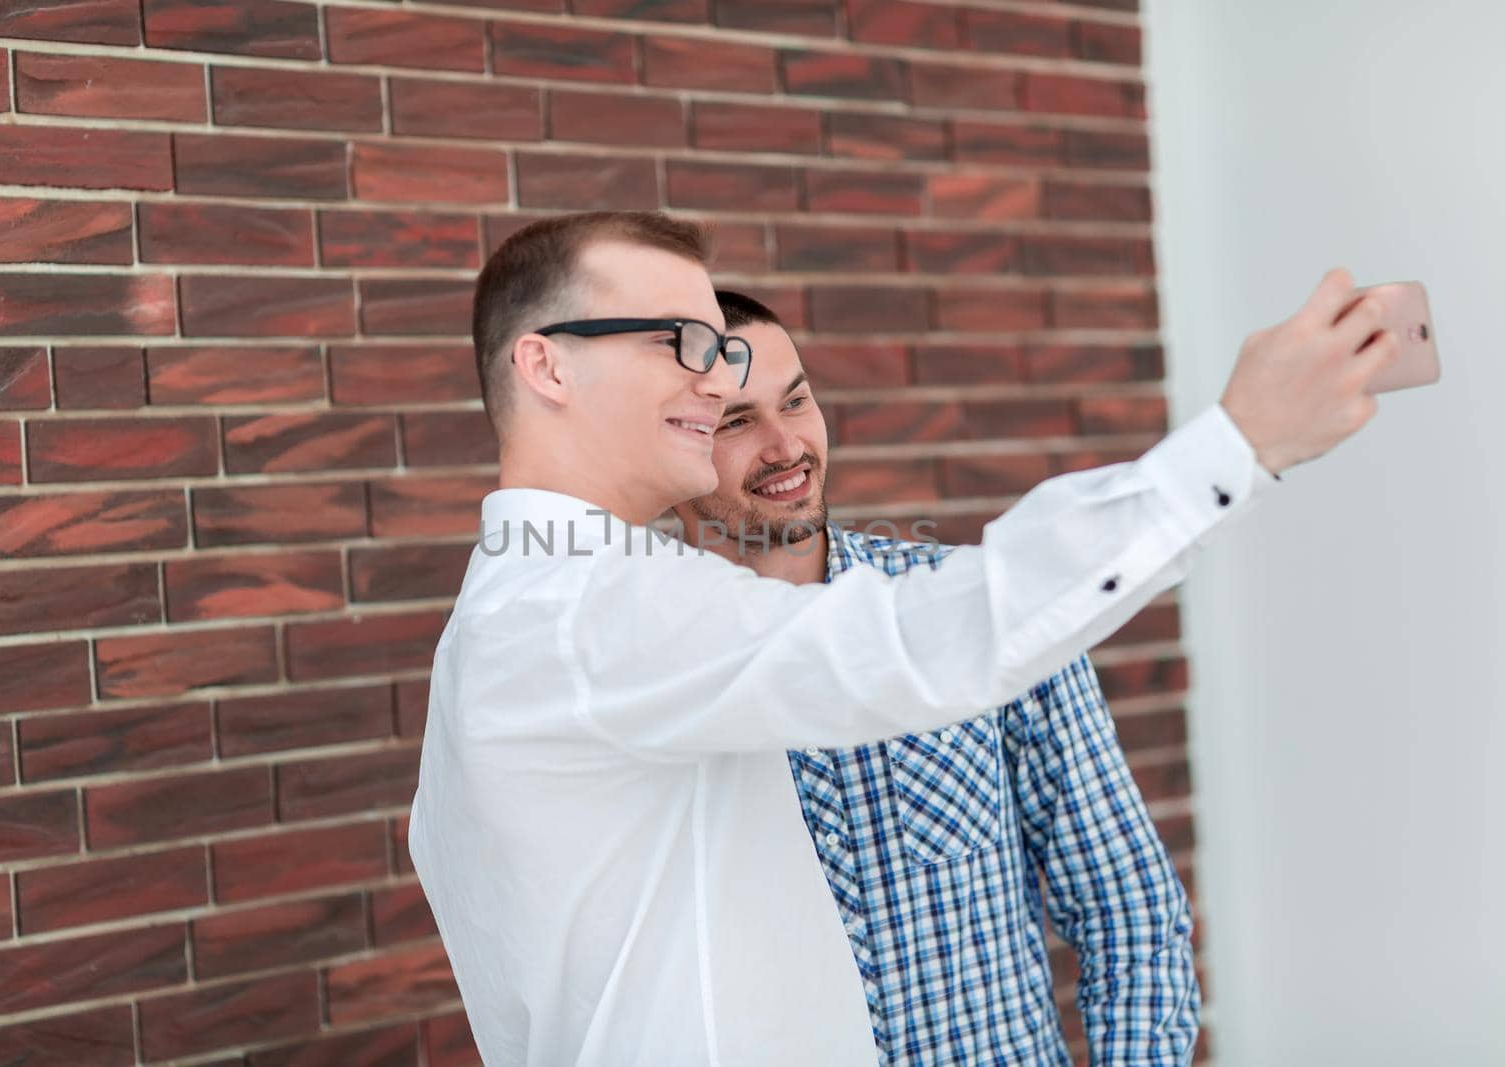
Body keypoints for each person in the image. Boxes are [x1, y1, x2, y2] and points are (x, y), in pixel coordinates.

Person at [405, 210, 1397, 1066]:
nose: (713, 389)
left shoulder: (584, 605)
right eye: (681, 343)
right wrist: (1236, 441)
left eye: (745, 366)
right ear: (545, 363)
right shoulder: (577, 614)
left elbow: (1123, 902)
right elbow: (931, 643)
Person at [673, 289, 1198, 1064]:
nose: (788, 446)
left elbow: (1128, 906)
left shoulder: (972, 608)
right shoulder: (646, 663)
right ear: (675, 444)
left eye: (798, 401)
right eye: (739, 421)